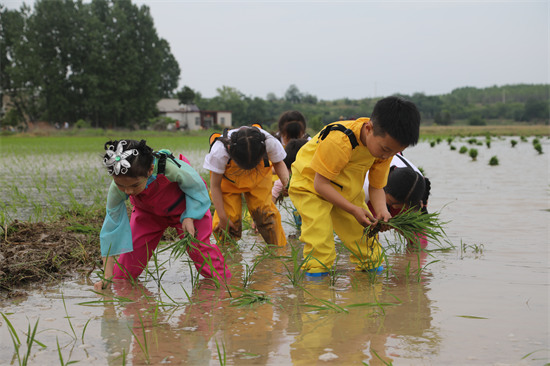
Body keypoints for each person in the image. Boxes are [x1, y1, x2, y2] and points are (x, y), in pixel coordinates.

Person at [288, 96, 421, 276]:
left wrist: (383, 211)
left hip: (345, 188)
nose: (386, 156)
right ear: (369, 129)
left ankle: (372, 290)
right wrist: (353, 209)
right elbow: (320, 185)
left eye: (393, 151)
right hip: (310, 186)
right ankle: (316, 289)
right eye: (385, 149)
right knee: (320, 244)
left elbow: (376, 186)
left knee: (367, 243)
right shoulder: (339, 141)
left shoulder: (384, 150)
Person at [95, 139, 231, 290]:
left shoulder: (168, 167)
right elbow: (110, 230)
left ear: (150, 170)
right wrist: (107, 276)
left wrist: (190, 216)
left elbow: (197, 188)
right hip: (148, 214)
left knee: (200, 250)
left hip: (187, 208)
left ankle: (228, 288)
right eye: (121, 185)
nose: (127, 191)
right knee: (125, 269)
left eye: (134, 186)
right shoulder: (118, 187)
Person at [204, 125, 289, 247]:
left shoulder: (269, 142)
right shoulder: (219, 151)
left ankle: (279, 251)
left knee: (267, 216)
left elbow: (278, 162)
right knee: (229, 222)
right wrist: (222, 218)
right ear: (230, 150)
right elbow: (215, 186)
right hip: (228, 182)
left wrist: (286, 184)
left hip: (259, 179)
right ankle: (229, 257)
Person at [363, 153, 432, 249]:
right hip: (371, 194)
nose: (395, 207)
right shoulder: (366, 185)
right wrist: (376, 222)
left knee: (420, 241)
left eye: (402, 206)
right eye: (392, 203)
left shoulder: (418, 185)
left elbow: (420, 210)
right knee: (367, 239)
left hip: (398, 194)